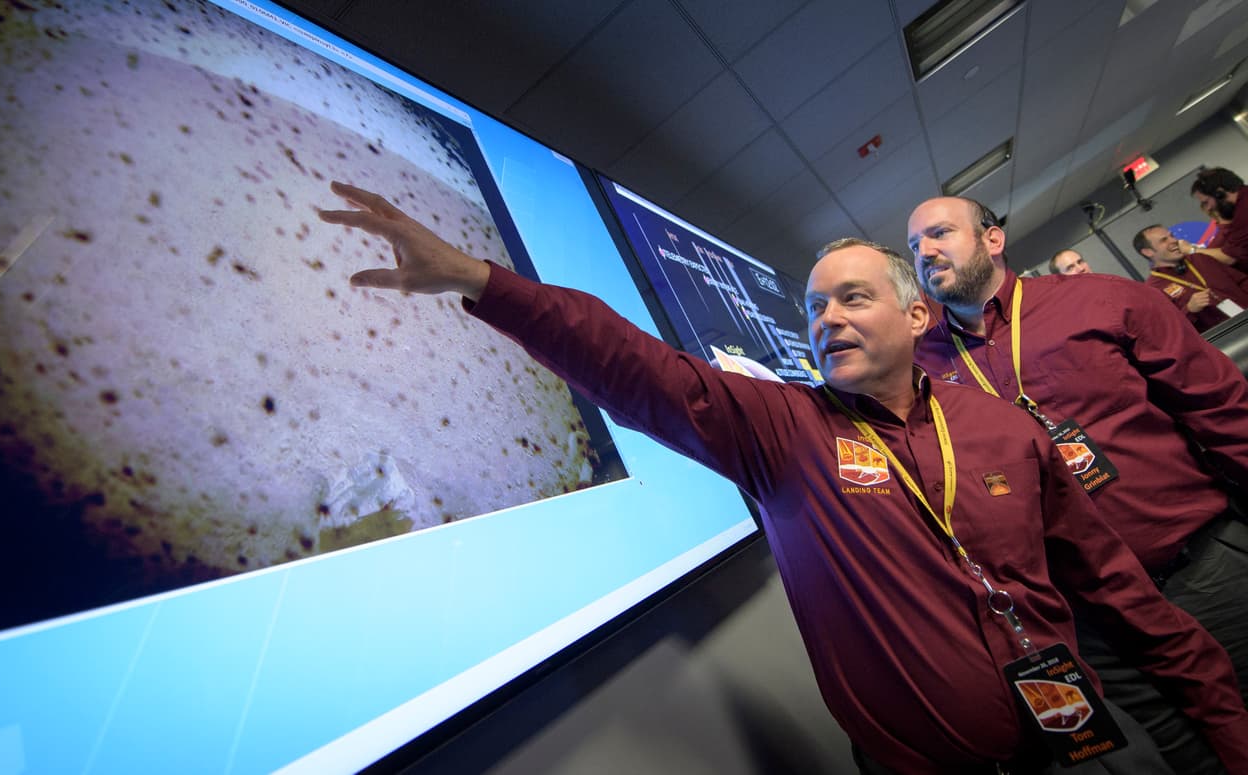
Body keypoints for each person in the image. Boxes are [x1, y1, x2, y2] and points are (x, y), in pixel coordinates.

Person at [319, 181, 1248, 774]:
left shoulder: (999, 430)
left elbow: (1124, 597)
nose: (827, 318)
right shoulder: (787, 430)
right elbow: (635, 365)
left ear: (916, 314)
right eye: (814, 307)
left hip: (1077, 746)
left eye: (853, 297)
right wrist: (483, 280)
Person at [908, 196, 1248, 774]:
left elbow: (1223, 413)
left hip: (1202, 573)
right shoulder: (921, 372)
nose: (925, 252)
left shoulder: (1104, 300)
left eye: (940, 233)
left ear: (993, 239)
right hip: (1094, 629)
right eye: (914, 247)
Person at [1134, 224, 1248, 332]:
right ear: (1148, 252)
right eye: (1164, 240)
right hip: (1227, 338)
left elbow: (1242, 281)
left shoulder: (1201, 258)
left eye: (1172, 236)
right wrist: (1189, 309)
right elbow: (1170, 331)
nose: (1174, 241)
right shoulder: (1153, 290)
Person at [1191, 167, 1248, 271]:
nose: (1208, 208)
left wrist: (1191, 250)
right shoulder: (1241, 204)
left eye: (1206, 202)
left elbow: (1230, 257)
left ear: (1219, 193)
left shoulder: (1243, 213)